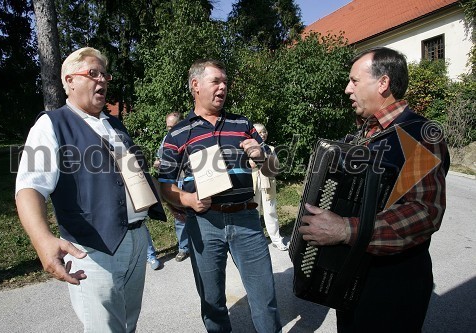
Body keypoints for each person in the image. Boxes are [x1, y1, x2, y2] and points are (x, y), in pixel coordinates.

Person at [15, 47, 166, 332]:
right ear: (70, 81)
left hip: (136, 241)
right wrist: (41, 239)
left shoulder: (116, 125)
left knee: (128, 323)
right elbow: (29, 187)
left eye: (105, 75)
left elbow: (132, 177)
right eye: (93, 74)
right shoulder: (52, 124)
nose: (103, 81)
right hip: (93, 250)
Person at [298, 47, 449, 332]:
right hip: (353, 279)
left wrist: (346, 230)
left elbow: (425, 212)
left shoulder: (419, 134)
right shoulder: (363, 134)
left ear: (383, 83)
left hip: (393, 286)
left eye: (354, 81)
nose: (347, 89)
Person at [158, 59, 282, 332]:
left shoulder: (242, 123)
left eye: (225, 82)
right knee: (212, 302)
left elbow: (274, 169)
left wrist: (262, 156)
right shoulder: (178, 133)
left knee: (265, 299)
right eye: (216, 81)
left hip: (246, 219)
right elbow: (164, 184)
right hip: (204, 225)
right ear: (196, 85)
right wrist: (188, 200)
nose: (223, 87)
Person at [154, 112, 190, 262]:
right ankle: (184, 248)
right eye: (167, 127)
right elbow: (159, 158)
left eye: (172, 127)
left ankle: (201, 245)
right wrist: (158, 164)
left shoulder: (191, 135)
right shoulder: (166, 139)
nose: (169, 131)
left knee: (197, 213)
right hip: (175, 181)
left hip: (191, 180)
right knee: (179, 216)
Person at [250, 123, 288, 251]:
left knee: (271, 212)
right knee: (254, 213)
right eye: (259, 132)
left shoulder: (271, 148)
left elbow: (275, 167)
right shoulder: (248, 148)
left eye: (264, 131)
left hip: (268, 184)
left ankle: (276, 240)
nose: (263, 134)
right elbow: (248, 165)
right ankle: (255, 240)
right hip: (253, 184)